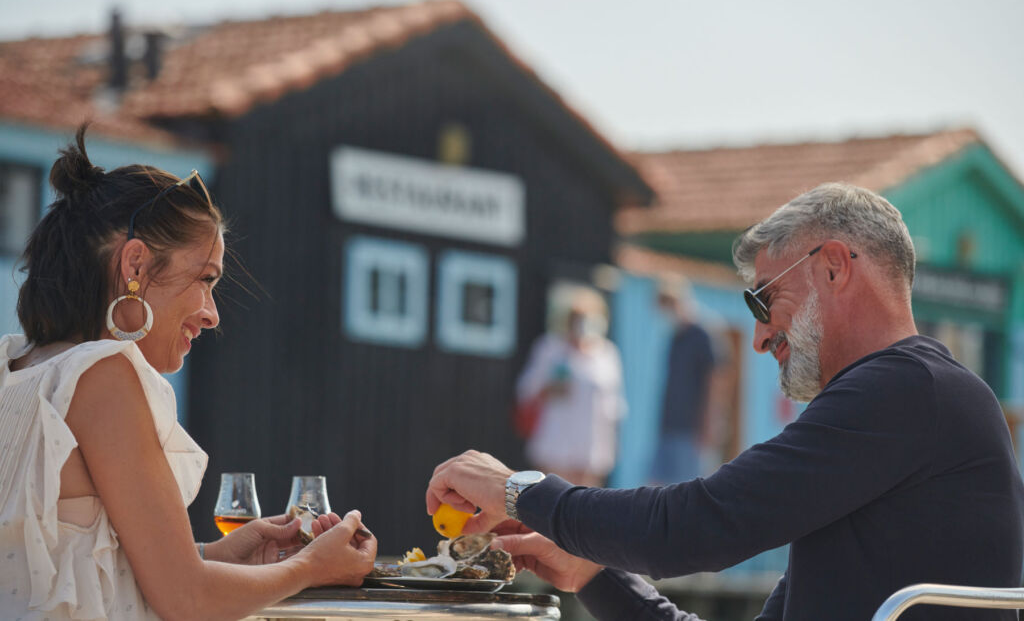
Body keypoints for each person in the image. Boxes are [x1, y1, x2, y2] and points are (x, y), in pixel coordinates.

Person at [427, 183, 1024, 621]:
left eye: (763, 301)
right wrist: (594, 573)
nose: (760, 337)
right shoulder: (920, 399)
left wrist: (517, 489)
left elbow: (694, 528)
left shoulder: (900, 390)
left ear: (835, 267)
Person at [0, 127, 376, 621]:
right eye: (205, 279)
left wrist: (218, 555)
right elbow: (187, 600)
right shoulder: (102, 374)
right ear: (135, 263)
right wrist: (310, 566)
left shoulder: (17, 366)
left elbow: (67, 570)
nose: (212, 313)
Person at [515, 286, 626, 487]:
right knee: (552, 501)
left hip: (590, 449)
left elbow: (613, 404)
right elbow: (526, 391)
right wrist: (550, 390)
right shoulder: (550, 349)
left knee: (586, 508)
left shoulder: (607, 354)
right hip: (555, 445)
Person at [649, 275, 720, 484]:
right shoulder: (675, 337)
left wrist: (708, 426)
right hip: (668, 427)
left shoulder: (702, 334)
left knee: (687, 490)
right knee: (657, 487)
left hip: (692, 431)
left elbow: (715, 382)